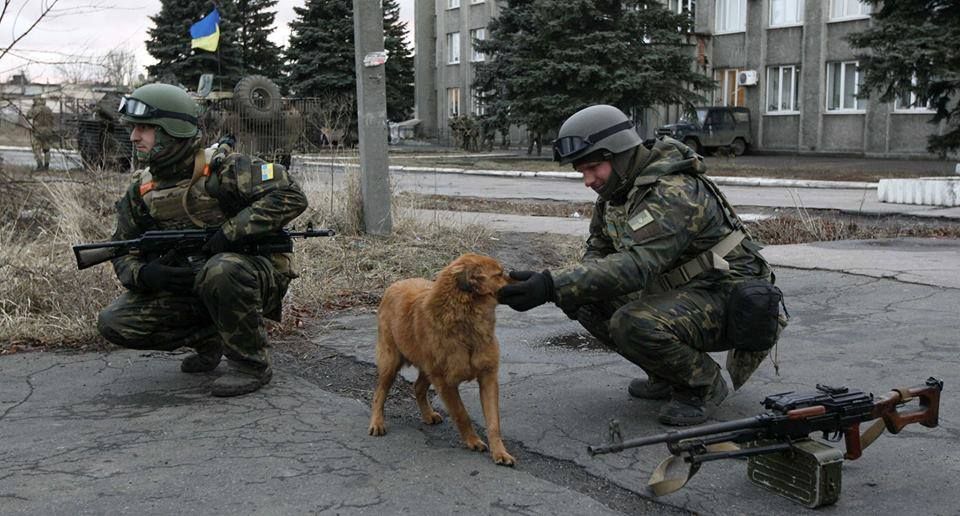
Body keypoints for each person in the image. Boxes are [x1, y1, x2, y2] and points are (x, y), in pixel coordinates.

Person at [498, 105, 784, 426]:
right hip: (685, 289)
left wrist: (552, 284)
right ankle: (666, 374)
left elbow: (636, 266)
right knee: (583, 300)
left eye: (593, 167)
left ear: (619, 155)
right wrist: (566, 286)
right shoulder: (617, 191)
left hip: (728, 294)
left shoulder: (673, 191)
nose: (588, 180)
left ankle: (702, 385)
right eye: (582, 171)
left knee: (632, 322)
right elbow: (599, 249)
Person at [96, 83, 309, 397]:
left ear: (171, 130)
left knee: (222, 270)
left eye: (144, 128)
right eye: (133, 128)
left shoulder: (225, 168)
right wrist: (145, 274)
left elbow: (291, 196)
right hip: (194, 282)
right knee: (114, 321)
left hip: (252, 276)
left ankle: (251, 363)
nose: (133, 137)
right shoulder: (142, 189)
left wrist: (231, 231)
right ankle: (211, 337)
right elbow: (122, 248)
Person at [27, 97, 55, 171]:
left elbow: (28, 116)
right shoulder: (48, 109)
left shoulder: (35, 109)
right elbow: (52, 119)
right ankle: (46, 166)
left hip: (38, 132)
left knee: (37, 148)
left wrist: (32, 108)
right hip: (48, 132)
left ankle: (40, 165)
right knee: (47, 149)